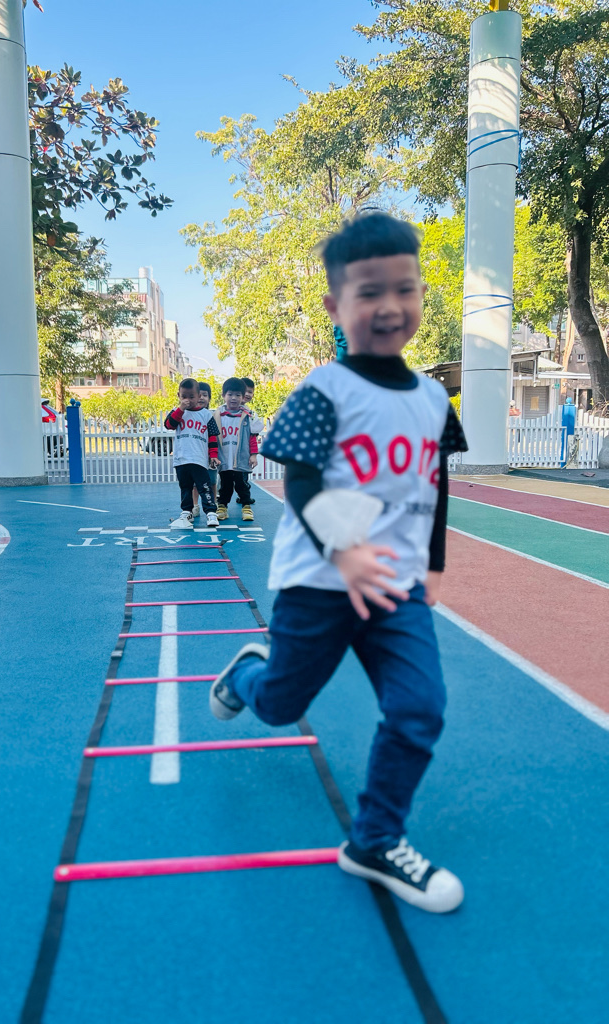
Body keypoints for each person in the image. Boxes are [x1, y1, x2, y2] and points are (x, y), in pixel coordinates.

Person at [209, 211, 468, 914]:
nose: (389, 306)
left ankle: (374, 840)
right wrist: (343, 552)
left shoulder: (434, 399)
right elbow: (299, 480)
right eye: (368, 292)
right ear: (335, 306)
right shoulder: (325, 389)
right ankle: (249, 675)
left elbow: (436, 486)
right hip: (319, 583)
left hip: (395, 587)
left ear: (421, 295)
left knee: (420, 708)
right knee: (281, 706)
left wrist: (434, 564)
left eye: (404, 289)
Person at [164, 378, 220, 529]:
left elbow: (213, 437)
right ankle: (186, 512)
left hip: (199, 459)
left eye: (191, 396)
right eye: (184, 396)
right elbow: (169, 425)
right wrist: (181, 409)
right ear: (179, 395)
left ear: (199, 396)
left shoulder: (206, 415)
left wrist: (213, 455)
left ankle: (211, 512)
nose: (187, 400)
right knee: (185, 487)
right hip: (181, 459)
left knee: (205, 486)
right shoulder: (177, 412)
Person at [213, 377, 258, 522]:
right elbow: (212, 437)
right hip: (224, 458)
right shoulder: (217, 415)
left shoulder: (247, 416)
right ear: (223, 395)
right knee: (225, 485)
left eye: (238, 395)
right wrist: (213, 454)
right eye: (230, 394)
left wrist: (253, 455)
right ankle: (222, 507)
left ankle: (246, 506)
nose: (233, 398)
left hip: (240, 458)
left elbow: (252, 436)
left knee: (242, 484)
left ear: (243, 397)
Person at [191, 381, 219, 518]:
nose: (201, 398)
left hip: (209, 456)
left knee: (212, 481)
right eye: (199, 395)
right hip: (196, 456)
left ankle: (214, 504)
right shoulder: (189, 415)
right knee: (195, 484)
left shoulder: (210, 416)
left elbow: (213, 438)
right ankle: (194, 505)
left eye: (205, 395)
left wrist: (213, 455)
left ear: (209, 399)